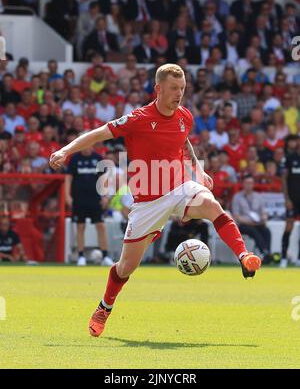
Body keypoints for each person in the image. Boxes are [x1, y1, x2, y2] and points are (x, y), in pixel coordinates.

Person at [50, 64, 261, 338]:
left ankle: (244, 257)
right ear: (158, 89)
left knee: (212, 205)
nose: (180, 94)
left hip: (179, 187)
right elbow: (99, 132)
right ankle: (104, 307)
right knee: (126, 268)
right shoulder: (138, 118)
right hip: (148, 203)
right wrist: (65, 151)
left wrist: (198, 170)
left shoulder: (185, 116)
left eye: (183, 89)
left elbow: (184, 144)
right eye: (174, 89)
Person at [65, 143, 114, 267]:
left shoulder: (98, 159)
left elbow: (104, 179)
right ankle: (81, 256)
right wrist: (67, 195)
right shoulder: (75, 159)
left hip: (95, 198)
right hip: (79, 198)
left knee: (101, 226)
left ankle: (105, 256)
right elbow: (68, 178)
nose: (86, 147)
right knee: (80, 226)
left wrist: (106, 195)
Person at [231, 176, 272, 263]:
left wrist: (264, 218)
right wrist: (250, 222)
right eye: (247, 183)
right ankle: (264, 253)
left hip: (257, 223)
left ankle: (266, 253)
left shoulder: (258, 197)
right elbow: (236, 216)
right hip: (243, 224)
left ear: (253, 184)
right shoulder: (237, 197)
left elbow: (264, 212)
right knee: (254, 232)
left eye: (250, 183)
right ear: (243, 184)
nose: (248, 185)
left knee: (266, 231)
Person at [280, 137, 300, 267]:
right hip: (292, 200)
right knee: (289, 227)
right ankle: (283, 258)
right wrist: (286, 199)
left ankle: (298, 258)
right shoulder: (289, 158)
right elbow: (284, 179)